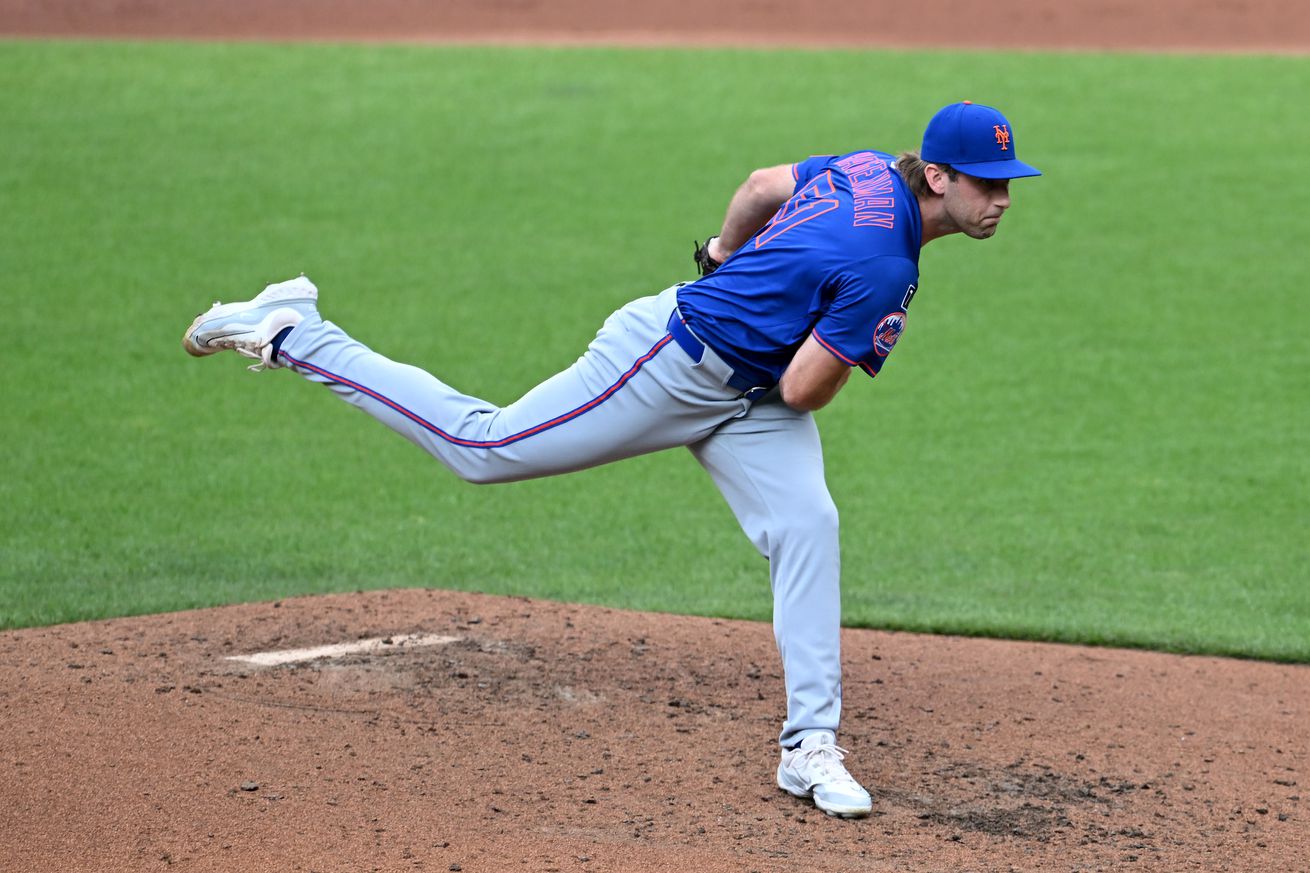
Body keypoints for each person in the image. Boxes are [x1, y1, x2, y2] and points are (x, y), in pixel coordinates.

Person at [182, 101, 1040, 819]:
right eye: (988, 184)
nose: (1002, 199)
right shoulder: (886, 266)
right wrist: (827, 331)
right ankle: (294, 330)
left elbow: (757, 188)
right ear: (939, 178)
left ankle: (808, 744)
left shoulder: (859, 169)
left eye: (1008, 184)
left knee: (809, 524)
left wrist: (719, 256)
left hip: (747, 396)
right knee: (484, 446)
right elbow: (809, 389)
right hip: (670, 363)